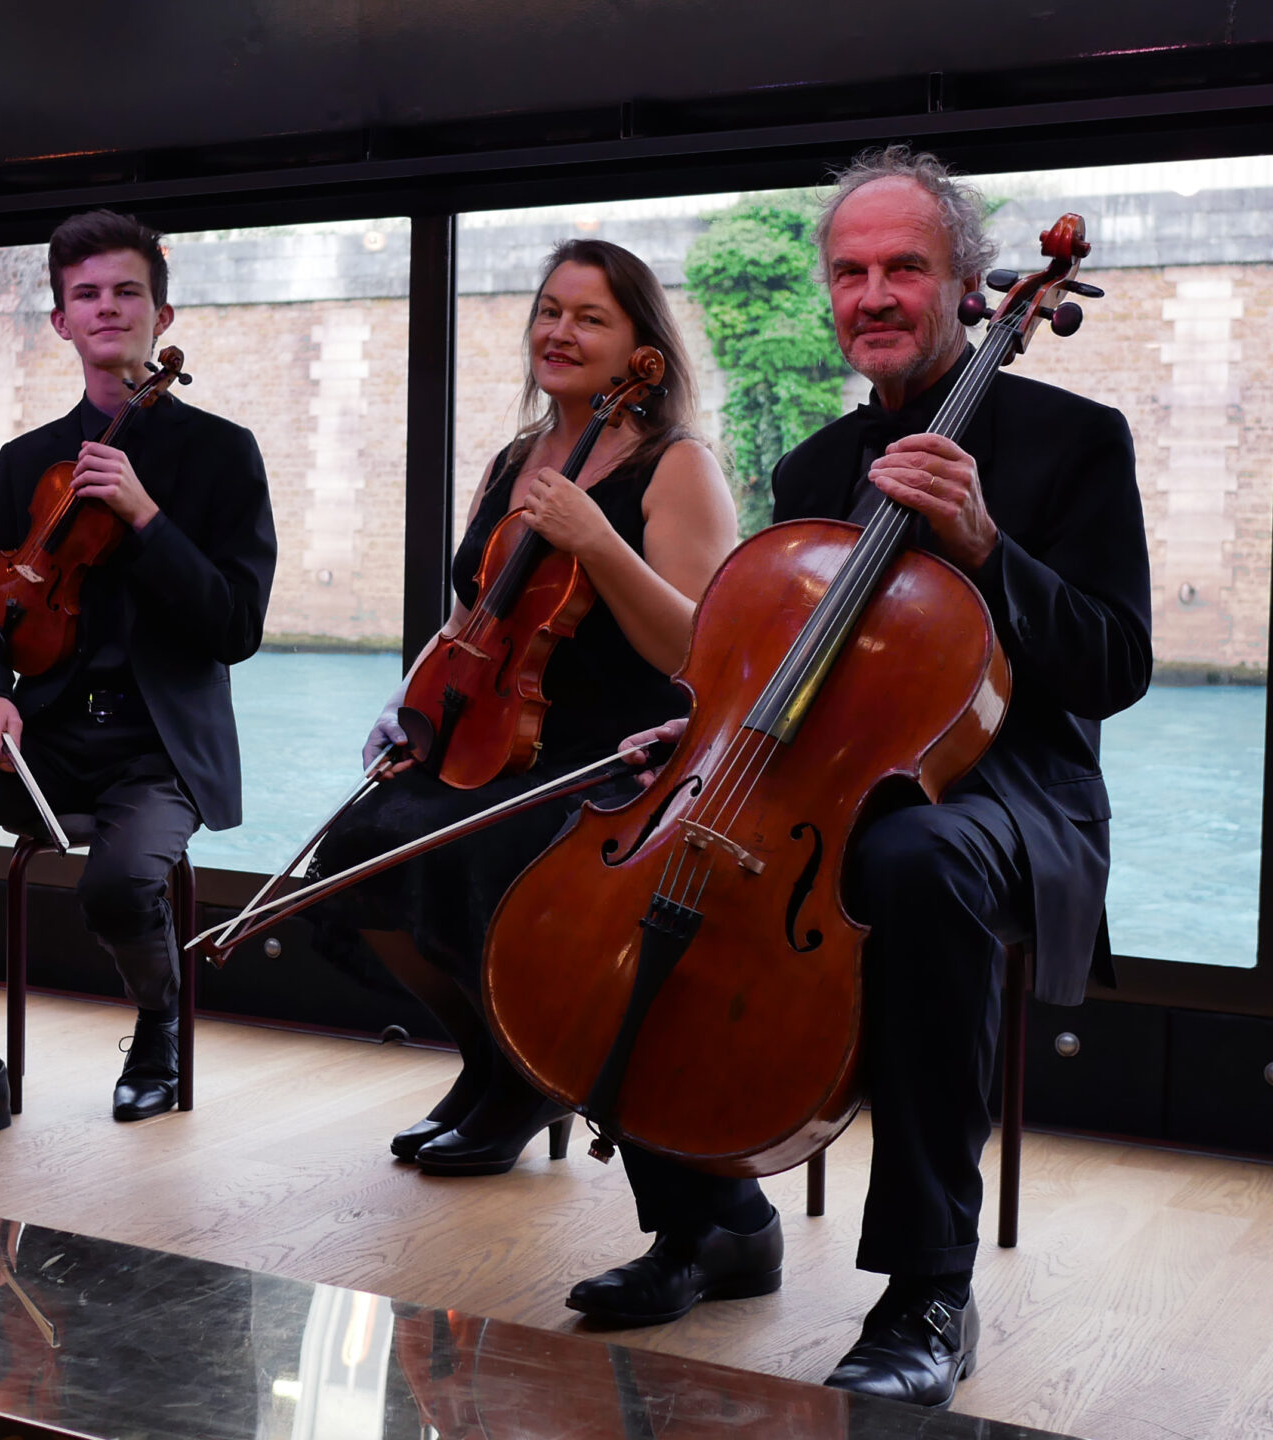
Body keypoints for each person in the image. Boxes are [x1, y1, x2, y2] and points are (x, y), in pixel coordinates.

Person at [562, 146, 1152, 1411]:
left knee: (910, 859)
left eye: (903, 268)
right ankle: (706, 1216)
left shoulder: (1072, 444)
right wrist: (705, 727)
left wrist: (986, 542)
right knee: (642, 839)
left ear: (963, 284)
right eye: (850, 272)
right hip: (821, 774)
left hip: (1010, 792)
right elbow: (779, 658)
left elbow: (1111, 666)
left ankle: (927, 1287)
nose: (872, 293)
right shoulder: (814, 470)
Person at [313, 239, 741, 1178]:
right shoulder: (517, 460)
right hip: (496, 738)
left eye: (590, 317)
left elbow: (704, 651)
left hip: (613, 760)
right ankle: (496, 1062)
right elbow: (477, 611)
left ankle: (521, 1076)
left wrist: (599, 541)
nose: (559, 331)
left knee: (483, 852)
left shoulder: (675, 466)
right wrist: (413, 696)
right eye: (550, 310)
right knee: (352, 855)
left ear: (640, 345)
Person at [0, 210, 277, 1160]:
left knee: (118, 889)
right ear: (61, 322)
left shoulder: (221, 455)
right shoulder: (28, 464)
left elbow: (237, 627)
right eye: (85, 295)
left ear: (159, 311)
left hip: (158, 747)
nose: (106, 308)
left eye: (125, 292)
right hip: (47, 737)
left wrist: (146, 519)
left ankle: (160, 1022)